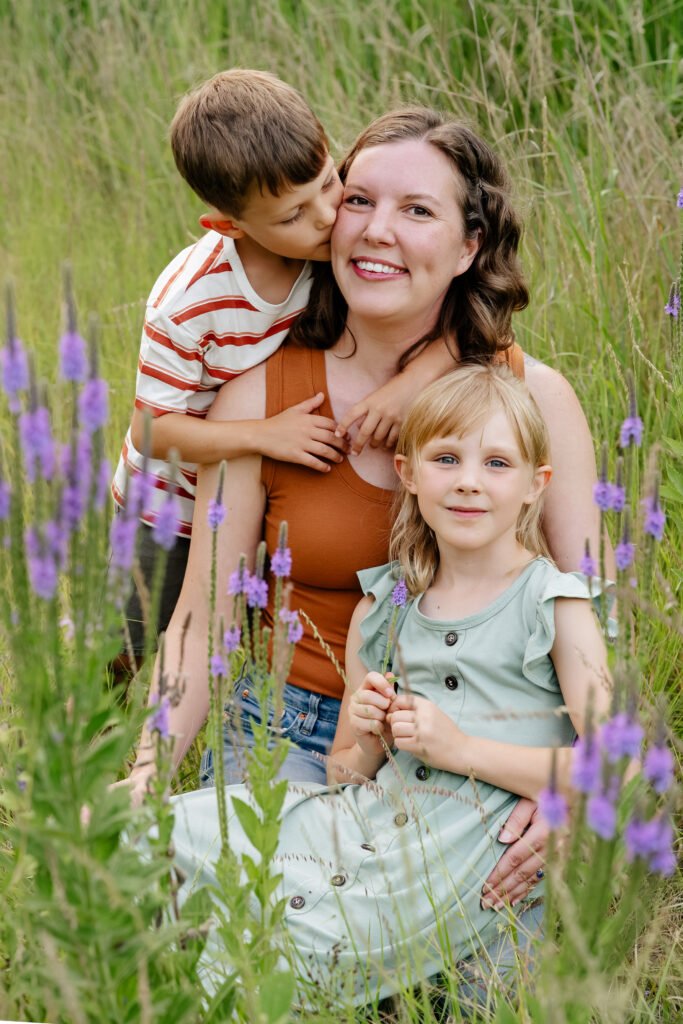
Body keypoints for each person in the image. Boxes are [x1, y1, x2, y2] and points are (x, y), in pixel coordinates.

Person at [127, 107, 611, 908]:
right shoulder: (257, 400)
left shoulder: (534, 399)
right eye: (358, 200)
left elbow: (589, 616)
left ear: (468, 247)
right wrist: (146, 776)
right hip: (292, 726)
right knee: (243, 921)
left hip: (484, 737)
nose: (376, 230)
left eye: (416, 210)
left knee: (434, 945)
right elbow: (200, 622)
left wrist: (566, 784)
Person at [169, 362, 611, 1004]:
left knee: (260, 952)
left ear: (535, 485)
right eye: (446, 459)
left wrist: (460, 750)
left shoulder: (554, 603)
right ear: (408, 472)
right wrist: (372, 739)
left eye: (496, 464)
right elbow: (343, 775)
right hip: (369, 836)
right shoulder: (384, 608)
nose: (468, 481)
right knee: (161, 833)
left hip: (470, 870)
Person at [111, 71, 456, 665]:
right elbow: (151, 431)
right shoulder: (187, 304)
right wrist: (265, 436)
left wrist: (411, 384)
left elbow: (466, 325)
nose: (327, 217)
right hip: (169, 506)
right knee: (129, 647)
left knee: (245, 646)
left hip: (267, 493)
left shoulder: (330, 253)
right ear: (230, 226)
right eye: (295, 213)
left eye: (330, 184)